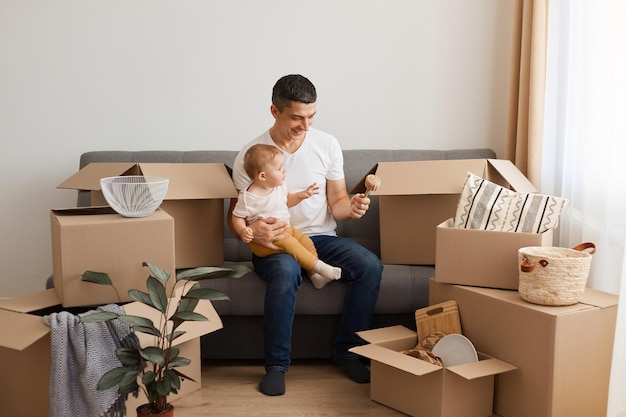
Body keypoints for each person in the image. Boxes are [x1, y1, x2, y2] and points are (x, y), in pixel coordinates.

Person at [228, 74, 382, 396]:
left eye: (311, 116)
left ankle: (349, 352)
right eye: (297, 118)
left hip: (320, 238)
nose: (305, 126)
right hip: (273, 244)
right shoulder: (252, 155)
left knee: (370, 266)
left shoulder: (326, 144)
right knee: (285, 271)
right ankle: (276, 367)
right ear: (275, 111)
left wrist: (350, 207)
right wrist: (251, 230)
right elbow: (237, 214)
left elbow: (337, 202)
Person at [231, 143, 342, 289]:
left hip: (286, 230)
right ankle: (321, 267)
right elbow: (236, 217)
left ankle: (314, 275)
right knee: (293, 245)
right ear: (263, 176)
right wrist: (243, 230)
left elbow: (287, 200)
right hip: (265, 241)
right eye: (279, 169)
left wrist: (301, 196)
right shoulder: (248, 198)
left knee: (307, 242)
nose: (284, 171)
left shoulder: (279, 187)